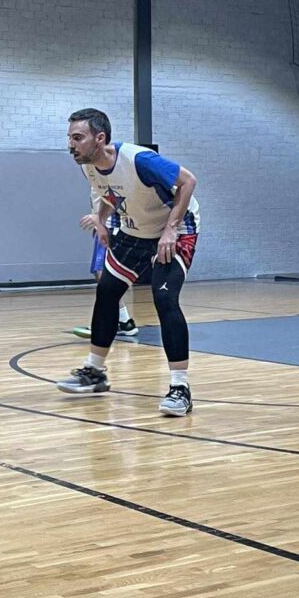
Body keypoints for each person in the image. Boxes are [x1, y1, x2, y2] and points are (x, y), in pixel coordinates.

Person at [57, 108, 199, 417]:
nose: (70, 145)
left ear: (100, 138)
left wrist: (171, 230)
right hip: (135, 231)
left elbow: (188, 181)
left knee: (164, 298)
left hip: (175, 229)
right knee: (107, 291)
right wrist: (101, 219)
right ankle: (95, 373)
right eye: (69, 138)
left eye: (77, 138)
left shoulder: (139, 160)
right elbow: (111, 195)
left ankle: (180, 388)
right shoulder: (89, 167)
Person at [71, 188, 139, 341]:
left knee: (104, 274)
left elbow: (116, 195)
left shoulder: (109, 176)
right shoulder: (93, 176)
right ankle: (124, 321)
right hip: (104, 225)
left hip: (110, 227)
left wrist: (100, 219)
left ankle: (105, 323)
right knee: (102, 274)